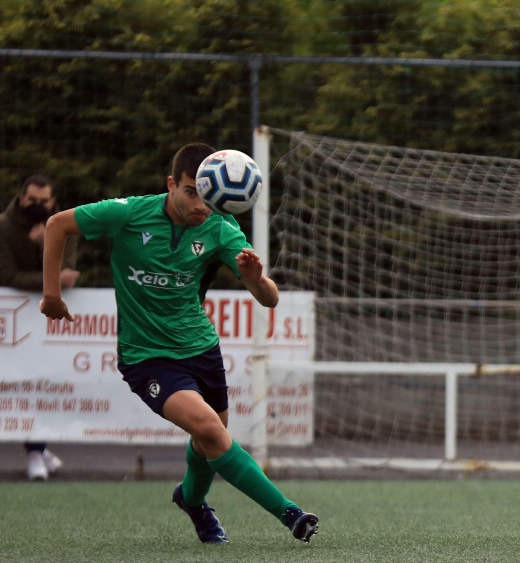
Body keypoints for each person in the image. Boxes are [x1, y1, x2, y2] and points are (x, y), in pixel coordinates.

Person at [40, 143, 319, 545]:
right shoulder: (128, 213)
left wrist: (256, 279)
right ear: (171, 184)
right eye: (191, 191)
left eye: (208, 195)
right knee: (209, 428)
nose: (201, 204)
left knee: (211, 440)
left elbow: (271, 299)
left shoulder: (221, 228)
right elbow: (56, 225)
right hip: (147, 357)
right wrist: (51, 293)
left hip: (201, 348)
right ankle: (290, 513)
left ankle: (192, 501)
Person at [0, 173, 79, 480]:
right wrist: (52, 282)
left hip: (50, 323)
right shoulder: (4, 228)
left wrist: (47, 244)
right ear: (21, 199)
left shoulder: (65, 227)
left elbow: (70, 274)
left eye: (43, 202)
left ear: (53, 202)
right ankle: (37, 451)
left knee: (45, 383)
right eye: (31, 200)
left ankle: (38, 449)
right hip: (15, 321)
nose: (36, 206)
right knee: (17, 385)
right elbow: (7, 276)